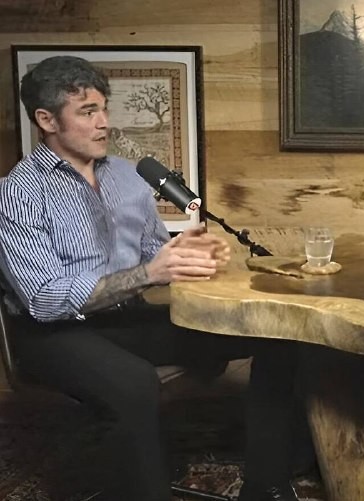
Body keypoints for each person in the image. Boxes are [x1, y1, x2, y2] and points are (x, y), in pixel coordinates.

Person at [0, 55, 304, 501]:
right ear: (47, 120)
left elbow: (151, 257)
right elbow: (44, 300)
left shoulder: (126, 177)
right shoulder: (19, 191)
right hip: (51, 335)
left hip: (126, 318)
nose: (104, 122)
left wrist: (186, 257)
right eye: (87, 111)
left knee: (277, 336)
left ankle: (267, 485)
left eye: (104, 109)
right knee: (134, 382)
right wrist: (150, 271)